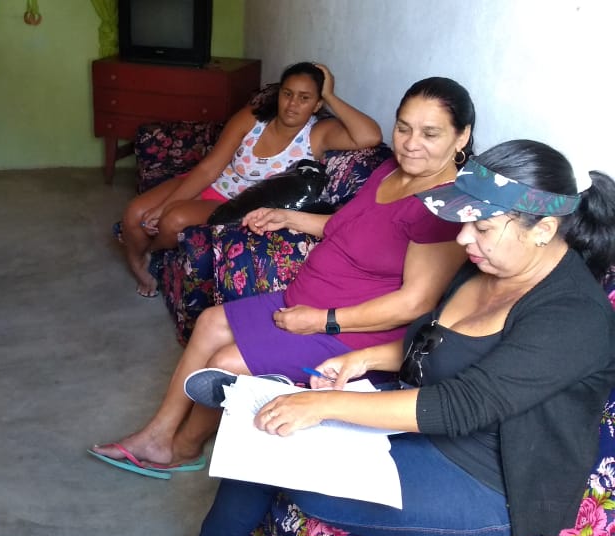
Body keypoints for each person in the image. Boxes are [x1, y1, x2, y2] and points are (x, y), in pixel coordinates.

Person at [155, 139, 615, 536]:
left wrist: (323, 405)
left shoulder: (573, 317)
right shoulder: (489, 267)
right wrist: (360, 360)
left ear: (543, 230)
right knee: (268, 432)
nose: (463, 237)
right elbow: (434, 342)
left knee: (272, 455)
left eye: (482, 227)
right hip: (424, 432)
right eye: (464, 222)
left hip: (489, 487)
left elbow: (462, 405)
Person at [92, 77, 475, 476]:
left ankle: (185, 447)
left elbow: (416, 303)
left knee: (226, 362)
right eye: (404, 128)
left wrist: (322, 320)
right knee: (209, 321)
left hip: (351, 329)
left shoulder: (445, 206)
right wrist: (287, 217)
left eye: (430, 134)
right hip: (307, 300)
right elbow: (342, 227)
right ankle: (158, 435)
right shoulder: (391, 170)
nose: (411, 143)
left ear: (461, 136)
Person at [122, 62, 383, 297]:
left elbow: (370, 136)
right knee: (135, 213)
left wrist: (330, 95)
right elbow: (210, 168)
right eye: (287, 94)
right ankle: (138, 262)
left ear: (317, 104)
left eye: (305, 98)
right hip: (211, 181)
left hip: (234, 204)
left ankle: (151, 254)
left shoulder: (317, 134)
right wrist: (163, 205)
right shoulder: (253, 118)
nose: (292, 104)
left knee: (172, 220)